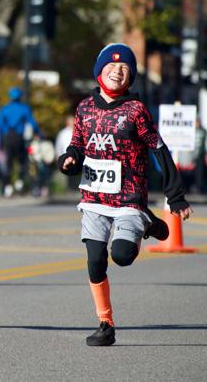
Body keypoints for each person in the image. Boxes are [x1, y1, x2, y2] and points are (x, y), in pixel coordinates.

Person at [58, 43, 193, 347]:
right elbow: (77, 145)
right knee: (95, 261)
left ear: (130, 77)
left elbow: (159, 150)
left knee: (121, 256)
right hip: (94, 197)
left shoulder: (136, 111)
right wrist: (69, 160)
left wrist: (176, 196)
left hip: (129, 197)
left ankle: (146, 221)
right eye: (111, 66)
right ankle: (105, 323)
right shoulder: (84, 108)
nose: (117, 72)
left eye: (125, 69)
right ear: (99, 71)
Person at [0, 86, 40, 197]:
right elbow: (32, 123)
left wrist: (0, 142)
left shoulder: (4, 109)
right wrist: (38, 133)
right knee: (22, 161)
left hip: (7, 138)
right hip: (19, 138)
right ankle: (19, 182)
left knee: (8, 163)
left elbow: (0, 127)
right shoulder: (24, 108)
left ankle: (7, 186)